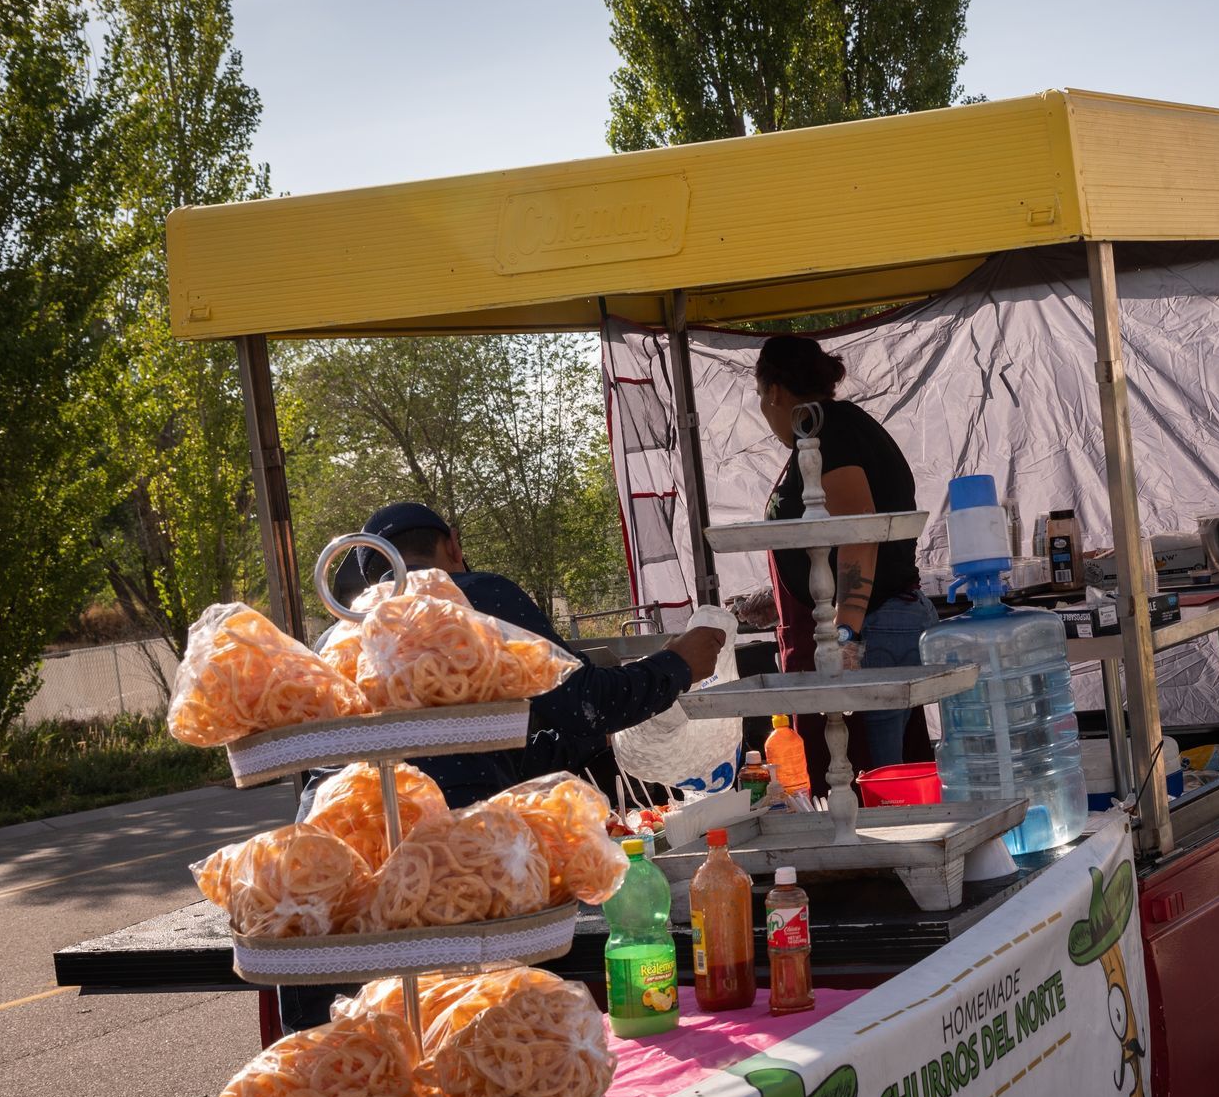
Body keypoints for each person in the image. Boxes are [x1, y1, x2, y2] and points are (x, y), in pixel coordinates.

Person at [297, 502, 724, 814]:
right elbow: (585, 704)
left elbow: (472, 752)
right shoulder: (474, 597)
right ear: (453, 545)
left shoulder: (337, 639)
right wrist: (677, 663)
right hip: (455, 844)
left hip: (336, 837)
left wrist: (593, 740)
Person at [747, 335, 938, 788]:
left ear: (774, 391)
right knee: (878, 770)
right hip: (875, 619)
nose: (763, 409)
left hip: (873, 624)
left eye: (760, 397)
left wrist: (847, 633)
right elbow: (826, 547)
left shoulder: (827, 431)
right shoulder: (832, 429)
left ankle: (884, 857)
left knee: (871, 776)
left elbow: (858, 532)